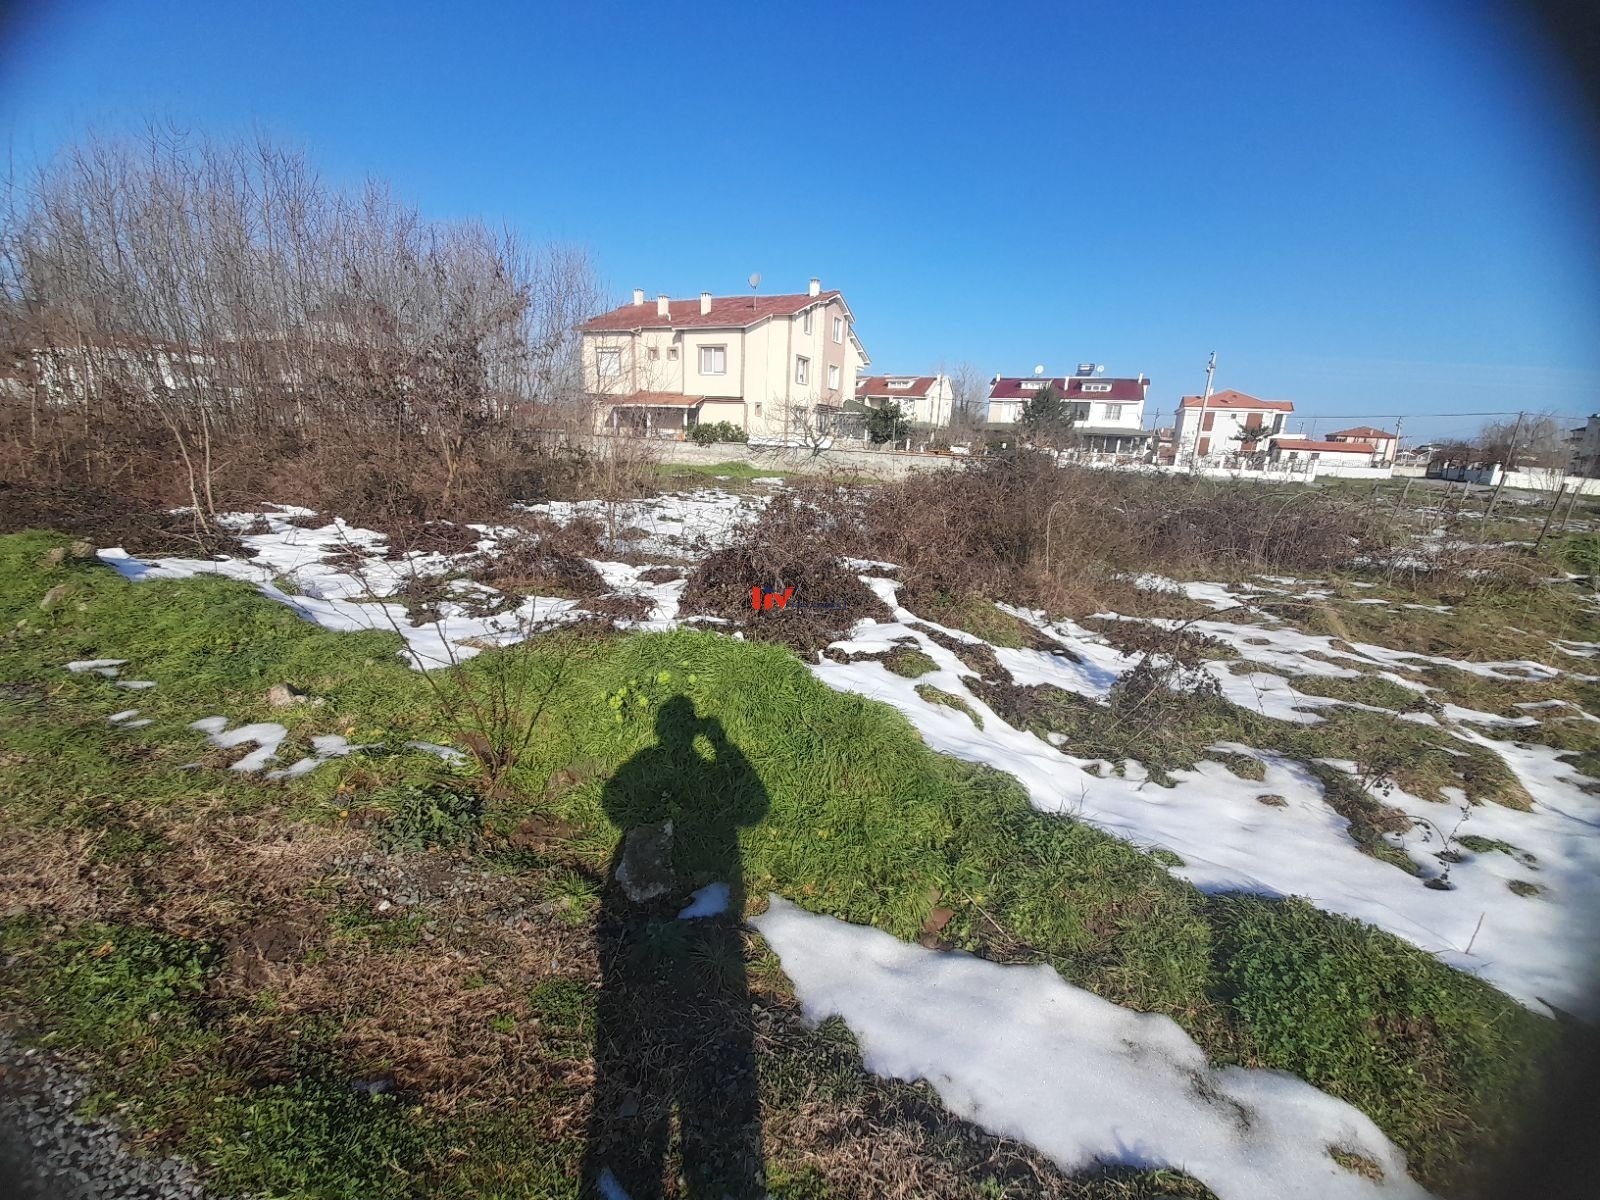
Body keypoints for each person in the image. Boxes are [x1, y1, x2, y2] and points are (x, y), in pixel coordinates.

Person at [582, 695, 769, 1198]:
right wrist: (721, 744)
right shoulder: (659, 763)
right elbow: (755, 807)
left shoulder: (647, 762)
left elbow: (616, 801)